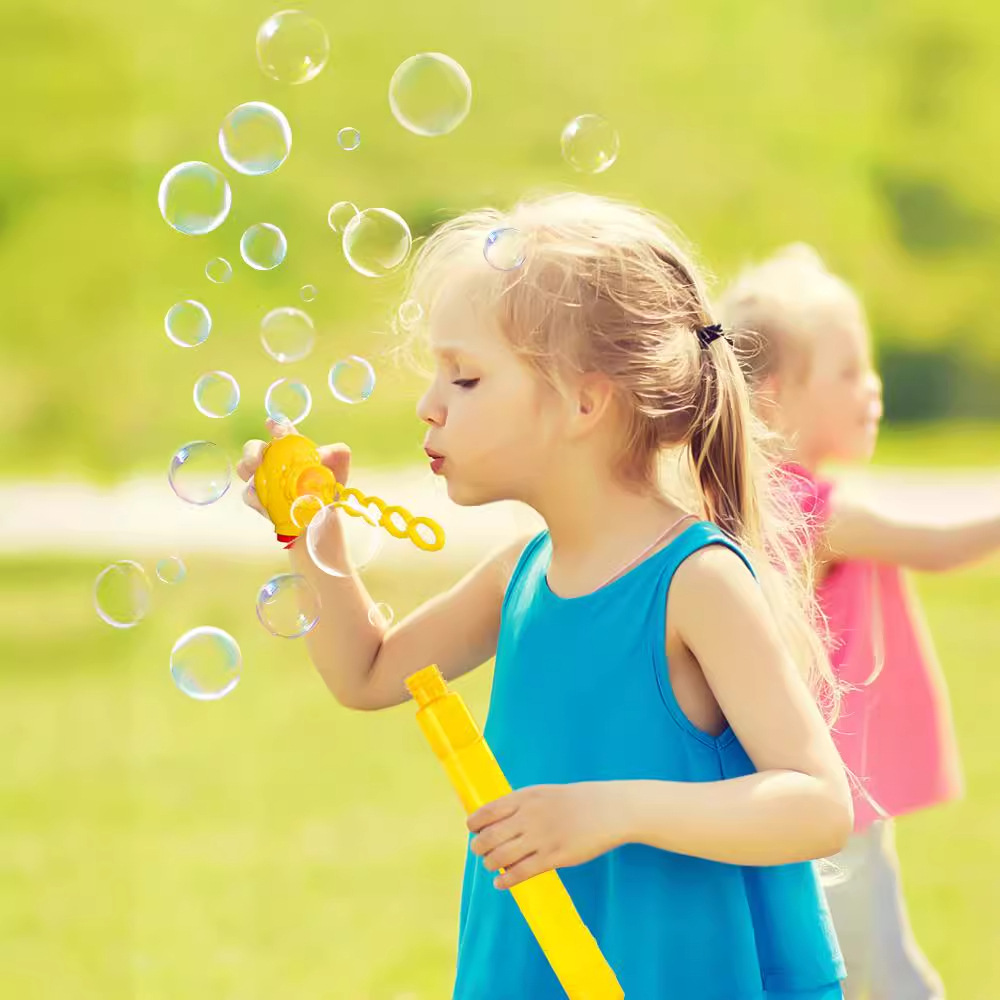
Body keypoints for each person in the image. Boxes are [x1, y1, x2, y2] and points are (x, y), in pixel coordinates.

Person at [238, 194, 853, 999]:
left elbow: (818, 805)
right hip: (536, 966)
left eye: (464, 376)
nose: (429, 403)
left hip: (673, 969)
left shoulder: (692, 583)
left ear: (585, 402)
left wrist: (615, 810)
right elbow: (366, 672)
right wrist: (311, 534)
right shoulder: (518, 575)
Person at [718, 243, 1000, 999]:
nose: (872, 389)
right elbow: (938, 545)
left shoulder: (754, 502)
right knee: (880, 973)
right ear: (772, 396)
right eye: (848, 372)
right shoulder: (815, 512)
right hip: (834, 795)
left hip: (809, 789)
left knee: (879, 963)